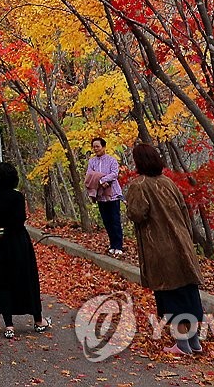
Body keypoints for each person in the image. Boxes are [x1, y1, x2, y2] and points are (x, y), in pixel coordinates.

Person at [124, 143, 205, 355]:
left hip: (160, 248)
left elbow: (136, 214)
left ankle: (182, 344)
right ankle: (194, 342)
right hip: (182, 244)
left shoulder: (138, 185)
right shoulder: (168, 182)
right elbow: (183, 210)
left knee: (171, 294)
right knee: (188, 292)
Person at [0, 162, 49, 339]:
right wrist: (8, 230)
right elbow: (19, 219)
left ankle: (9, 325)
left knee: (2, 281)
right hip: (17, 243)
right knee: (27, 279)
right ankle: (38, 320)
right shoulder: (17, 197)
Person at [86, 137, 124, 256]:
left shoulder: (112, 160)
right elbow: (90, 175)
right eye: (94, 147)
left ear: (103, 147)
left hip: (113, 194)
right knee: (107, 221)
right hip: (100, 195)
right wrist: (100, 181)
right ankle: (112, 244)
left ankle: (118, 246)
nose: (95, 149)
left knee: (115, 220)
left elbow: (114, 174)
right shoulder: (92, 161)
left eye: (97, 146)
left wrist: (102, 179)